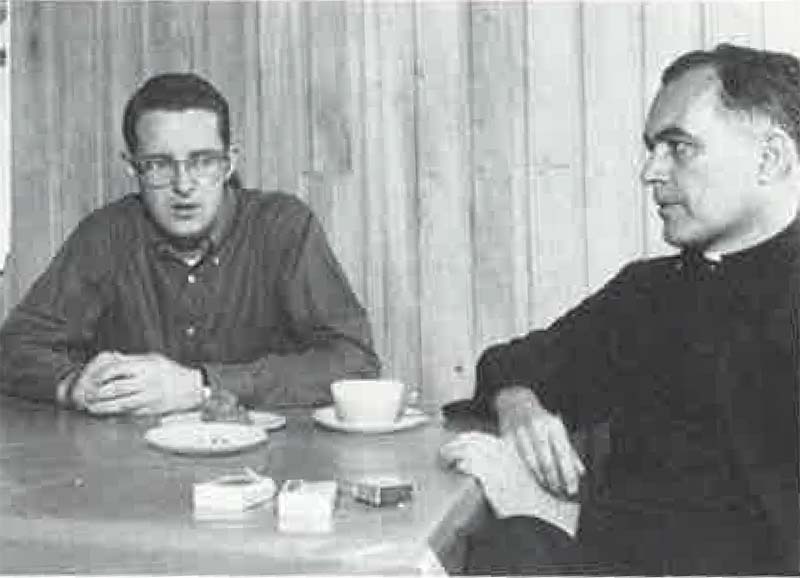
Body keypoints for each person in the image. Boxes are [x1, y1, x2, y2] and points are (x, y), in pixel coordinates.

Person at [447, 43, 800, 575]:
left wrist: (558, 514)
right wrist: (518, 403)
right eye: (653, 148)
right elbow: (511, 362)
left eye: (679, 147)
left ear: (770, 159)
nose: (650, 173)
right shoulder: (649, 293)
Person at [0, 72, 380, 415]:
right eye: (160, 164)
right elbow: (13, 347)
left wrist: (202, 385)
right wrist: (70, 384)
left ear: (229, 163)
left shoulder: (284, 228)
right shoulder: (106, 234)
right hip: (133, 469)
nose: (183, 185)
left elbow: (355, 360)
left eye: (202, 161)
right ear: (132, 167)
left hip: (265, 466)